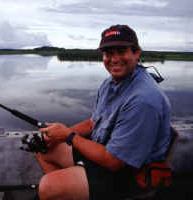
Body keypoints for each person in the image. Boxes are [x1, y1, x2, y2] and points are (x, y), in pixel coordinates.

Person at [35, 24, 172, 200]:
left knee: (48, 186)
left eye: (121, 51)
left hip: (130, 173)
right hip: (104, 153)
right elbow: (93, 123)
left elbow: (114, 162)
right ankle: (72, 191)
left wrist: (68, 135)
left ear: (136, 52)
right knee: (43, 148)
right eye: (108, 53)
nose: (114, 59)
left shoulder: (143, 100)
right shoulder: (110, 83)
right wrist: (56, 135)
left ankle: (68, 189)